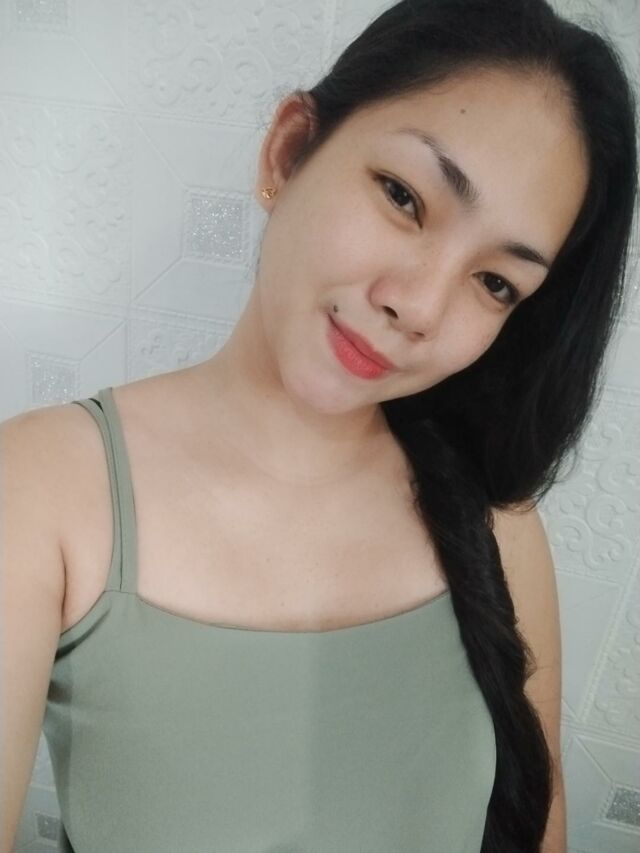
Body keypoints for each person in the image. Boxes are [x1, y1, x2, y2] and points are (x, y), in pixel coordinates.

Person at [2, 0, 637, 851]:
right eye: (404, 198)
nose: (418, 306)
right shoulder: (41, 490)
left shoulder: (498, 520)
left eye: (495, 283)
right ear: (290, 151)